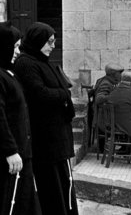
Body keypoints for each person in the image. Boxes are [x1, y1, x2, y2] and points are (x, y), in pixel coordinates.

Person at [14, 22, 78, 215]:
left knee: (63, 183)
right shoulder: (26, 63)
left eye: (53, 41)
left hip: (57, 136)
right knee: (51, 185)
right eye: (49, 41)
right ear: (37, 40)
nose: (53, 46)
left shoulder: (42, 61)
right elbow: (39, 94)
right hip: (46, 138)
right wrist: (64, 95)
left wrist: (62, 96)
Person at [0, 22, 42, 215]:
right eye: (15, 46)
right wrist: (10, 150)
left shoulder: (9, 73)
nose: (18, 51)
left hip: (22, 153)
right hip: (12, 157)